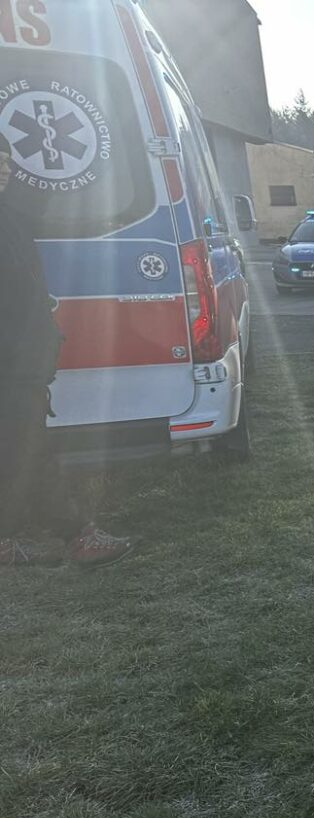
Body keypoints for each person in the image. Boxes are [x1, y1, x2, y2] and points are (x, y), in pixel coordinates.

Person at [0, 134, 133, 569]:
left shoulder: (10, 216)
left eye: (7, 162)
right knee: (26, 450)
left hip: (24, 361)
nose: (5, 170)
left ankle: (63, 534)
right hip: (11, 363)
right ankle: (72, 534)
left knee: (27, 448)